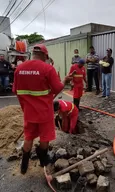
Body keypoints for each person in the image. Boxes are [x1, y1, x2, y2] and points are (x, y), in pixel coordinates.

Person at [13, 44, 70, 174]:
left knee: (28, 137)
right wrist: (65, 80)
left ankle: (24, 166)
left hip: (28, 112)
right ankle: (43, 159)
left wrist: (25, 107)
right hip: (44, 112)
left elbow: (16, 91)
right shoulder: (47, 69)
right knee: (45, 137)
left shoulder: (19, 69)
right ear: (45, 55)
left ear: (33, 54)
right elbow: (57, 88)